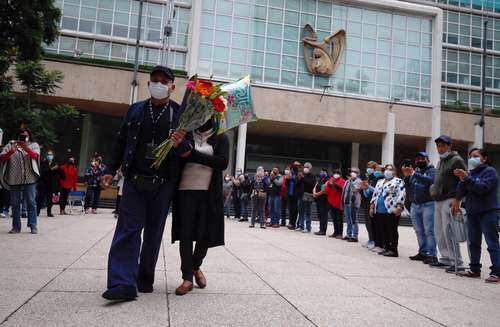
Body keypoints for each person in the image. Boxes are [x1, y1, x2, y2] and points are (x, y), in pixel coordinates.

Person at [100, 66, 192, 301]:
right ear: (149, 83)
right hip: (134, 180)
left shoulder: (180, 114)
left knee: (153, 233)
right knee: (127, 230)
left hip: (163, 184)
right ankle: (122, 283)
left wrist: (180, 143)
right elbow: (120, 143)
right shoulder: (136, 110)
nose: (159, 85)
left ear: (172, 87)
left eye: (164, 81)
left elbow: (187, 151)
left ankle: (144, 277)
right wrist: (110, 170)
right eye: (155, 80)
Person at [172, 117, 229, 295]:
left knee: (205, 236)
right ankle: (187, 277)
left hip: (209, 194)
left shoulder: (221, 137)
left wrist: (193, 155)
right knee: (186, 235)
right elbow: (177, 158)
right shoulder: (185, 134)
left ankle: (196, 266)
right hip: (185, 190)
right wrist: (177, 146)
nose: (203, 117)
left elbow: (222, 163)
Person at [456, 149, 500, 283]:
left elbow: (483, 188)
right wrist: (462, 179)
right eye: (470, 157)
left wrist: (467, 178)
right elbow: (461, 191)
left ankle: (497, 272)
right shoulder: (470, 173)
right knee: (473, 242)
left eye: (475, 156)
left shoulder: (490, 172)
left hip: (488, 211)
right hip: (472, 212)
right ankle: (474, 269)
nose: (471, 159)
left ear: (484, 159)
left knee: (492, 242)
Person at [429, 135, 467, 273]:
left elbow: (464, 180)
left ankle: (457, 261)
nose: (440, 148)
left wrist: (458, 198)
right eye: (438, 146)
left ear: (449, 146)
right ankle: (445, 258)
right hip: (438, 199)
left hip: (451, 199)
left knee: (449, 230)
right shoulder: (440, 161)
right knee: (439, 231)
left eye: (443, 145)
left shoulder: (456, 160)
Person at [0, 128, 40, 234]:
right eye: (21, 135)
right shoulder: (11, 144)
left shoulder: (33, 145)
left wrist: (25, 147)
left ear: (29, 136)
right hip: (14, 178)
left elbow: (35, 156)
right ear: (17, 135)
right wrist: (11, 151)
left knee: (31, 202)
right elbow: (2, 158)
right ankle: (16, 227)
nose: (24, 137)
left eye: (26, 135)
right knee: (15, 203)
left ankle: (33, 225)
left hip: (30, 178)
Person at [402, 152, 437, 263]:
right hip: (415, 205)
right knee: (418, 230)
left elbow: (430, 181)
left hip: (428, 204)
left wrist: (413, 173)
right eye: (417, 159)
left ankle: (432, 255)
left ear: (428, 160)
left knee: (429, 231)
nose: (419, 161)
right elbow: (408, 186)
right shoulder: (415, 172)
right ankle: (423, 252)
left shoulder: (432, 171)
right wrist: (407, 177)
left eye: (422, 158)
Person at [369, 164, 405, 257]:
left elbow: (401, 194)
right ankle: (386, 248)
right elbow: (375, 195)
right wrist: (372, 207)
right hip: (380, 209)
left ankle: (393, 250)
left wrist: (399, 206)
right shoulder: (380, 181)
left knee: (392, 230)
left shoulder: (398, 181)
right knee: (383, 229)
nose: (388, 171)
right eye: (386, 169)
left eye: (390, 169)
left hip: (391, 209)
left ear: (394, 171)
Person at [37, 150, 63, 217]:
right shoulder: (43, 163)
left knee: (50, 199)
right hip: (43, 183)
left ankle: (49, 212)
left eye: (51, 155)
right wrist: (51, 169)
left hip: (51, 185)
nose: (50, 156)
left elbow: (62, 175)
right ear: (46, 155)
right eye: (48, 154)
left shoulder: (55, 164)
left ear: (53, 156)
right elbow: (43, 172)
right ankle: (37, 211)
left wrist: (58, 168)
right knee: (40, 198)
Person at [341, 168, 362, 242]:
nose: (353, 173)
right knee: (348, 220)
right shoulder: (347, 181)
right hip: (346, 202)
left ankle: (354, 236)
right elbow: (344, 192)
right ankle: (348, 234)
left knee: (354, 220)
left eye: (355, 172)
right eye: (352, 172)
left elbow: (355, 189)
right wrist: (342, 203)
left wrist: (351, 182)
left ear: (358, 173)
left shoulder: (359, 181)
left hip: (353, 204)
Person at [323, 170, 345, 238]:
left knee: (339, 219)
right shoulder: (330, 180)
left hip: (338, 203)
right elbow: (326, 191)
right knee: (334, 218)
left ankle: (340, 233)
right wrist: (330, 184)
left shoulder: (342, 181)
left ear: (340, 174)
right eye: (334, 173)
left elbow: (341, 189)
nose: (336, 174)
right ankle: (335, 232)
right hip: (331, 203)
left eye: (337, 173)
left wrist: (334, 183)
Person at [297, 162, 315, 233]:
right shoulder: (302, 175)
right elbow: (298, 184)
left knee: (308, 212)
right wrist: (299, 178)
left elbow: (310, 184)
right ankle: (301, 226)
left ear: (310, 168)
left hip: (308, 195)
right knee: (301, 211)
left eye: (307, 167)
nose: (305, 168)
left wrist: (303, 178)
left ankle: (308, 228)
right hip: (301, 195)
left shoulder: (312, 176)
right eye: (304, 167)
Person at [313, 168, 330, 235]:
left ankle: (323, 230)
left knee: (323, 215)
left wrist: (317, 194)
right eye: (321, 171)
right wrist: (314, 192)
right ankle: (320, 229)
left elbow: (325, 190)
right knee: (320, 215)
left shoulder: (327, 180)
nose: (321, 173)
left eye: (323, 171)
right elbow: (315, 186)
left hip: (324, 200)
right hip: (319, 200)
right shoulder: (320, 179)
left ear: (326, 172)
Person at [286, 161, 301, 229]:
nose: (295, 167)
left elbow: (299, 183)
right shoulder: (291, 173)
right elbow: (286, 183)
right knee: (290, 208)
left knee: (295, 209)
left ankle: (293, 223)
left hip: (296, 194)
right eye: (295, 165)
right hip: (290, 193)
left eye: (297, 166)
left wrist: (296, 178)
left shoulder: (299, 173)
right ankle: (290, 222)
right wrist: (288, 179)